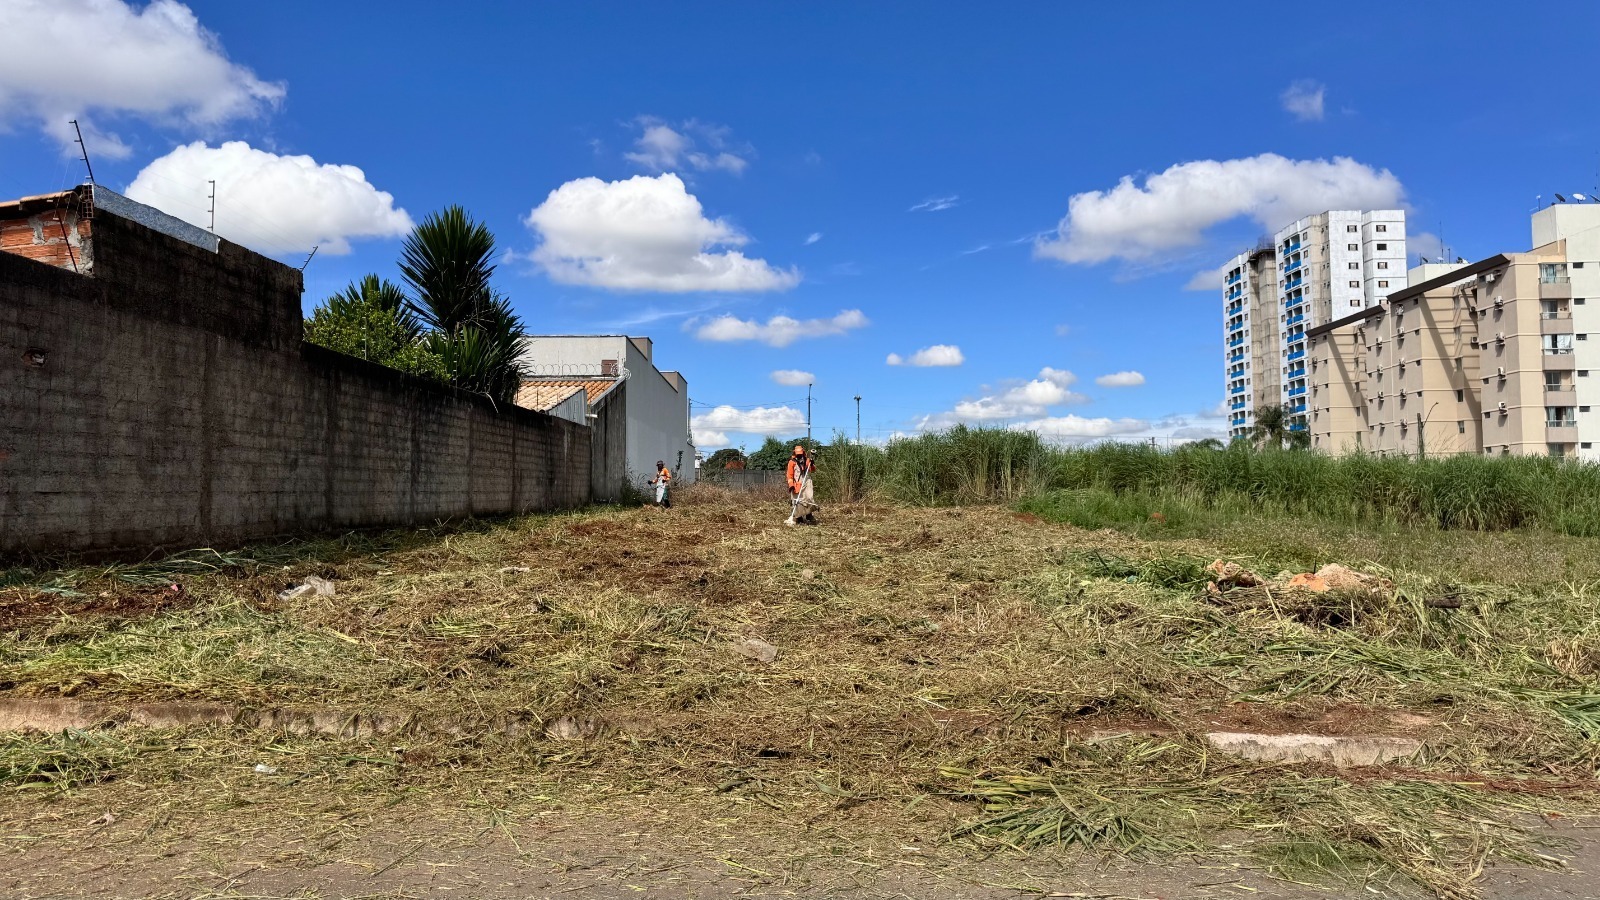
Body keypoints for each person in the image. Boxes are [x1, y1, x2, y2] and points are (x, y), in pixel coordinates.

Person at [785, 445, 817, 526]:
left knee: (809, 498)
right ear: (795, 454)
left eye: (800, 454)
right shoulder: (792, 462)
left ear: (803, 453)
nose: (799, 456)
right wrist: (791, 485)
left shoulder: (807, 460)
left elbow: (813, 470)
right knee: (798, 500)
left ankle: (809, 515)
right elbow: (789, 475)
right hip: (797, 483)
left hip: (806, 482)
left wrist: (812, 464)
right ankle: (799, 518)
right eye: (798, 454)